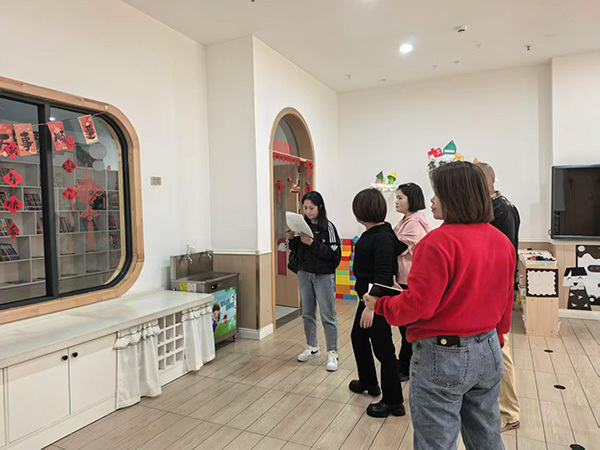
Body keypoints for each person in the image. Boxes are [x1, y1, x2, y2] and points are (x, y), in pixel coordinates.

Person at [364, 161, 515, 449]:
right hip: (490, 348)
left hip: (444, 355)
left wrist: (381, 304)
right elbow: (506, 301)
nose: (432, 200)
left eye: (437, 193)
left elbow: (419, 305)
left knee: (437, 442)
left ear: (455, 196)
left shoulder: (436, 244)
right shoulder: (502, 242)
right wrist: (496, 338)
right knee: (486, 436)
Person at [349, 188, 408, 418]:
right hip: (367, 298)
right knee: (358, 337)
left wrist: (371, 307)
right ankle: (368, 381)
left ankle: (394, 402)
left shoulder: (381, 237)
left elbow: (383, 275)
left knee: (383, 348)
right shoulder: (380, 231)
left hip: (376, 301)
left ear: (362, 212)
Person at [476, 162, 521, 432]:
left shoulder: (501, 210)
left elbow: (500, 256)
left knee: (499, 349)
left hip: (496, 290)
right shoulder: (495, 207)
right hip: (490, 289)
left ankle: (508, 412)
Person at [287, 191, 341, 371]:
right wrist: (292, 239)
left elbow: (334, 256)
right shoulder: (302, 225)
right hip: (304, 273)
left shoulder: (328, 227)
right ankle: (312, 347)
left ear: (320, 207)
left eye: (311, 208)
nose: (308, 212)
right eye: (305, 208)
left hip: (323, 275)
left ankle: (332, 352)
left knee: (328, 315)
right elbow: (295, 249)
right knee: (307, 312)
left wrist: (313, 243)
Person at [393, 182, 432, 381]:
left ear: (412, 199)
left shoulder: (414, 223)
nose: (396, 201)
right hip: (404, 278)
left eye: (400, 198)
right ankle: (406, 364)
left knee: (408, 326)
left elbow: (397, 247)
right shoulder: (407, 220)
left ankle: (406, 367)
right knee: (406, 325)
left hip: (408, 280)